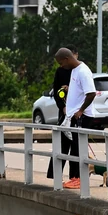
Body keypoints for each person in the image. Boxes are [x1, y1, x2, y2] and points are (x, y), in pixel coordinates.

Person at [54, 47, 97, 190]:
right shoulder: (74, 71)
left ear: (67, 59)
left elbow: (91, 94)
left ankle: (79, 179)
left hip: (82, 117)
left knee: (79, 148)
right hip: (73, 116)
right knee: (74, 149)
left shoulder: (84, 71)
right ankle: (74, 178)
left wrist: (81, 110)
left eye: (61, 63)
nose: (61, 66)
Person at [47, 44, 78, 180]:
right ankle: (54, 175)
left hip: (77, 113)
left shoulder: (80, 70)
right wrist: (63, 108)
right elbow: (56, 91)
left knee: (76, 146)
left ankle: (75, 177)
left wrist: (70, 89)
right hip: (65, 112)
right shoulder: (60, 72)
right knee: (61, 144)